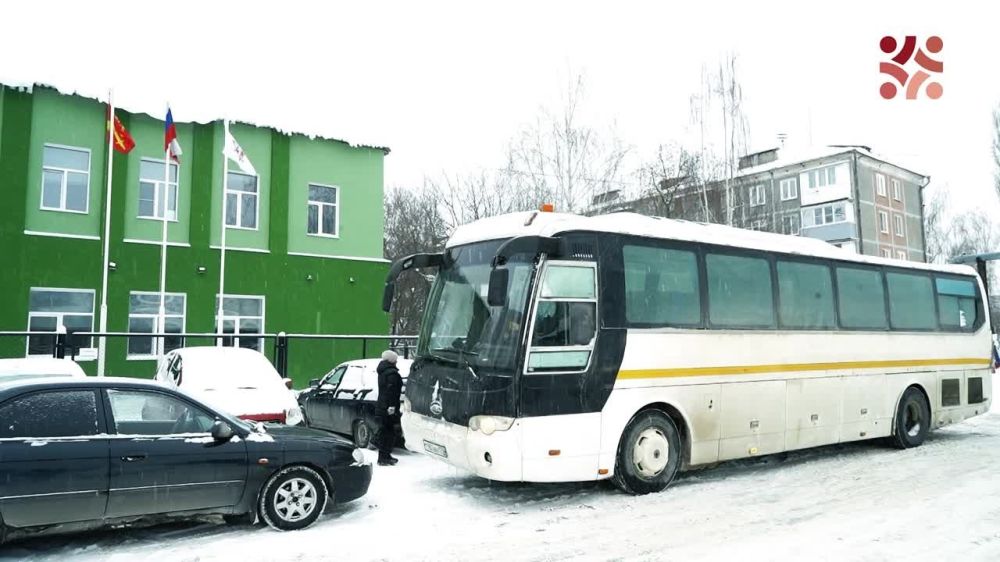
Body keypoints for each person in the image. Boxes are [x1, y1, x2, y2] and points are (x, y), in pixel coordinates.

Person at [375, 350, 403, 466]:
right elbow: (391, 392)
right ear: (392, 360)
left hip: (382, 405)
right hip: (388, 407)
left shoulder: (382, 371)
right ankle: (384, 457)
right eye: (395, 359)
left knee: (385, 431)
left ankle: (384, 455)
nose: (396, 361)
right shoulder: (391, 374)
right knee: (389, 432)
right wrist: (391, 407)